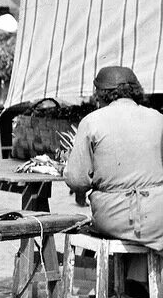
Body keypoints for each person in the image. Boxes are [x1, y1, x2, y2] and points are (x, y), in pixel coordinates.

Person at [64, 66, 163, 253]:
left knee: (125, 229)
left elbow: (77, 181)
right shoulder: (158, 118)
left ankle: (129, 280)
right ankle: (137, 281)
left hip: (116, 218)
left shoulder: (92, 121)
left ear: (101, 94)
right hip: (159, 218)